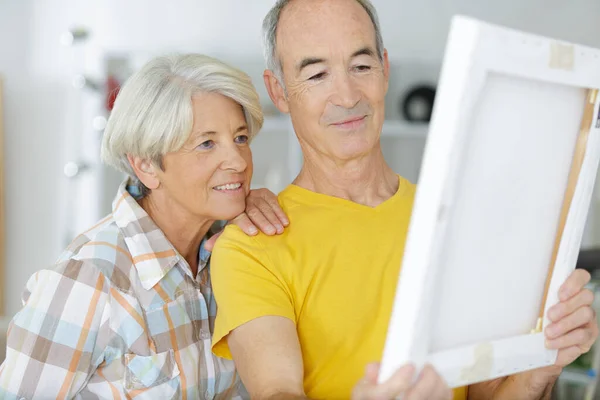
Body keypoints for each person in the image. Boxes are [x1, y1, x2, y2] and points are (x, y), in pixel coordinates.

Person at [210, 1, 599, 399]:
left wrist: (541, 367)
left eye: (361, 66)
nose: (346, 95)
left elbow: (484, 393)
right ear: (279, 91)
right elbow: (277, 392)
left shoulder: (452, 221)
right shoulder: (249, 248)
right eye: (317, 74)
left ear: (385, 69)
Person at [0, 53, 288, 399]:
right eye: (207, 144)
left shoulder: (231, 255)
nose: (238, 161)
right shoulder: (90, 277)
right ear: (146, 166)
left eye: (240, 138)